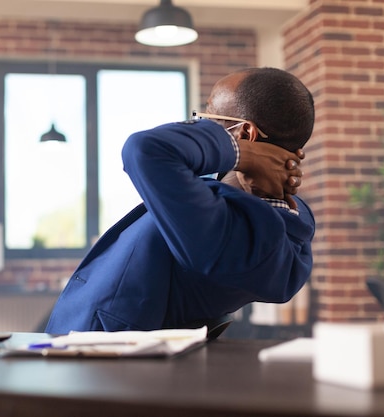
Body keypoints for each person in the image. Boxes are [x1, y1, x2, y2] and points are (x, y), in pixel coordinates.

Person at [44, 67, 315, 338]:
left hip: (103, 358)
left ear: (244, 134)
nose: (199, 126)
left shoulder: (234, 226)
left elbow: (145, 149)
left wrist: (241, 154)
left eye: (208, 118)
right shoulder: (282, 218)